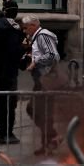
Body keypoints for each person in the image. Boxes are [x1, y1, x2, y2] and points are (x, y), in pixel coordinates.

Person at [0, 0, 27, 145]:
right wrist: (23, 48)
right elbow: (14, 52)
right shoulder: (12, 29)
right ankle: (7, 133)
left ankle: (2, 132)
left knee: (2, 102)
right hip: (9, 71)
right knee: (9, 103)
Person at [21, 16, 60, 155]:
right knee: (38, 111)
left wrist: (35, 61)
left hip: (46, 79)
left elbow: (52, 56)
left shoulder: (42, 36)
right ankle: (49, 141)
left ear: (33, 25)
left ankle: (51, 138)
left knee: (37, 110)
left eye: (25, 28)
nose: (25, 31)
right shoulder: (36, 37)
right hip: (41, 79)